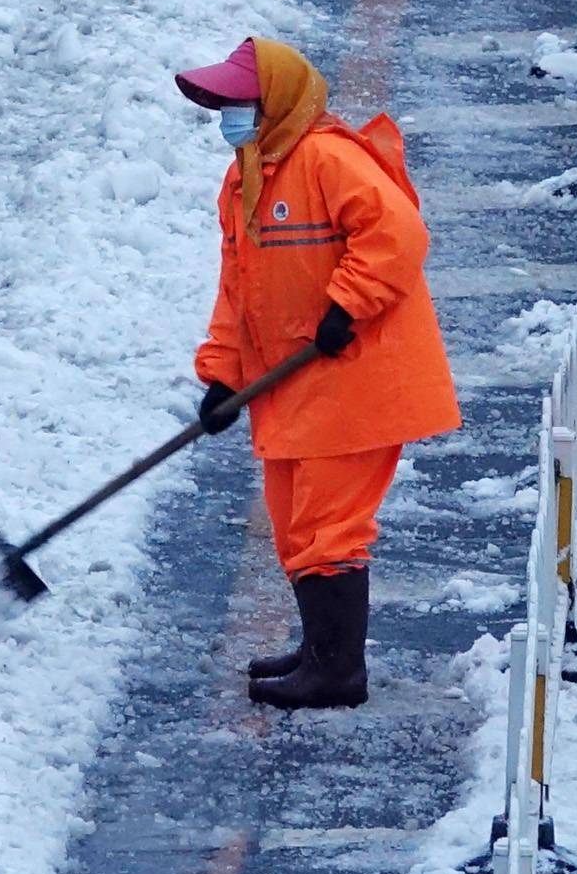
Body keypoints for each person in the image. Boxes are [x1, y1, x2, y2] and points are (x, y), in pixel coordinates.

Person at [175, 35, 459, 708]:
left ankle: (337, 674)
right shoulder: (245, 176)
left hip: (357, 376)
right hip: (293, 384)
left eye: (237, 103)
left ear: (273, 103)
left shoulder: (328, 158)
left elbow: (398, 236)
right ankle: (321, 649)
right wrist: (222, 377)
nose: (227, 117)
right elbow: (238, 290)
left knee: (328, 529)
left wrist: (347, 305)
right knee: (293, 525)